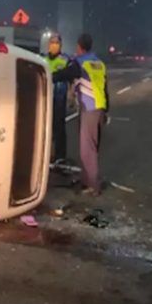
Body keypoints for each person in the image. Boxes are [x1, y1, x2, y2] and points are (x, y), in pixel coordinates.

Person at [53, 33, 109, 196]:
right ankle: (86, 181)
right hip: (99, 107)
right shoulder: (99, 63)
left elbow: (64, 74)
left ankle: (92, 186)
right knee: (91, 146)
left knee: (87, 149)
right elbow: (104, 88)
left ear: (79, 46)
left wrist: (47, 75)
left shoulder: (80, 63)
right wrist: (106, 110)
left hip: (89, 108)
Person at [45, 33, 70, 164]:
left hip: (60, 98)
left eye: (56, 43)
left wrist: (72, 95)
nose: (54, 45)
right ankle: (47, 154)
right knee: (45, 128)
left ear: (60, 45)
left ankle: (60, 157)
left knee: (59, 128)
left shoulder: (66, 60)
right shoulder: (43, 59)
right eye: (52, 42)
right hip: (45, 99)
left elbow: (72, 78)